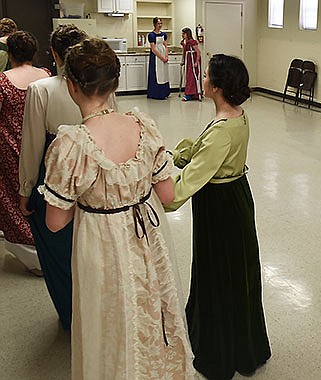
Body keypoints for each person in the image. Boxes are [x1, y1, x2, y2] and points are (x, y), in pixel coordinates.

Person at [40, 38, 194, 379]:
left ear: (71, 86)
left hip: (101, 242)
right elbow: (167, 195)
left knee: (109, 318)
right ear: (116, 83)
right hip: (147, 237)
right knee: (150, 309)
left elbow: (54, 221)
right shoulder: (144, 127)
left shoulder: (71, 144)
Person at [164, 54, 271, 379]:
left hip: (220, 204)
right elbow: (202, 150)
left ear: (216, 87)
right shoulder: (237, 116)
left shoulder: (222, 129)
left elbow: (187, 184)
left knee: (220, 270)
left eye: (207, 75)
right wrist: (176, 153)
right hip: (237, 194)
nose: (203, 78)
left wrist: (159, 190)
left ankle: (220, 349)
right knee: (238, 269)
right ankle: (245, 341)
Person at [18, 25, 103, 331]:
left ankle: (71, 314)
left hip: (54, 174)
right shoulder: (99, 86)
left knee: (56, 245)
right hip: (94, 169)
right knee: (92, 242)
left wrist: (25, 188)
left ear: (54, 53)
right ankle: (96, 309)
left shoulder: (42, 89)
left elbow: (31, 144)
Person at [0, 31, 49, 276]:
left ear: (10, 54)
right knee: (41, 194)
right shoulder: (46, 76)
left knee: (13, 197)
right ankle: (47, 245)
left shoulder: (3, 81)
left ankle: (30, 253)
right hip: (41, 145)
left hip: (11, 147)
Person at [147, 17, 170, 100]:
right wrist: (161, 58)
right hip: (156, 57)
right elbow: (153, 49)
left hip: (163, 56)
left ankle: (165, 92)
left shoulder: (164, 34)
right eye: (158, 24)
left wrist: (166, 56)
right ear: (154, 24)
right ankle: (156, 93)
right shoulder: (151, 35)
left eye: (161, 23)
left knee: (164, 74)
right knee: (157, 73)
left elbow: (166, 46)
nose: (160, 25)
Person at [180, 27, 201, 101]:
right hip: (188, 60)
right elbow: (184, 51)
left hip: (193, 60)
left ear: (187, 34)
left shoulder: (192, 42)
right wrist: (182, 60)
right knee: (188, 77)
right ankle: (192, 94)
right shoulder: (184, 42)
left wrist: (196, 62)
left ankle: (190, 94)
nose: (182, 35)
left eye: (184, 34)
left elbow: (198, 52)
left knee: (192, 77)